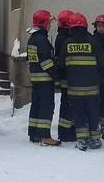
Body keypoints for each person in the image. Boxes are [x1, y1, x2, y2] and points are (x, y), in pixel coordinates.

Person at [59, 12, 104, 151]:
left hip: (74, 89)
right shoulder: (93, 42)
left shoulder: (67, 43)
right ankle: (96, 140)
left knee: (79, 114)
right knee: (93, 113)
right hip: (92, 88)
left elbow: (61, 65)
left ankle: (82, 140)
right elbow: (102, 63)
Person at [26, 9, 60, 146]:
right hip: (45, 79)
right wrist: (56, 74)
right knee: (46, 106)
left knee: (36, 105)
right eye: (49, 22)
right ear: (44, 23)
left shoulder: (33, 38)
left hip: (36, 78)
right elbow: (46, 61)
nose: (50, 25)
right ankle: (45, 136)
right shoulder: (41, 39)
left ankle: (34, 133)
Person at [54, 8, 76, 142]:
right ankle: (66, 133)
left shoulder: (62, 37)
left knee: (67, 105)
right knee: (67, 106)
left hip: (65, 77)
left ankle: (67, 130)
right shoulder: (64, 39)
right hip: (68, 77)